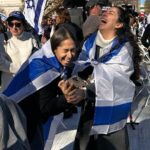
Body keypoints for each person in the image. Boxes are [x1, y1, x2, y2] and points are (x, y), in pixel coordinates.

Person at [59, 6, 141, 150]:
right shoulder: (90, 42)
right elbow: (82, 68)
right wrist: (71, 84)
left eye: (111, 13)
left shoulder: (123, 49)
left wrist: (85, 92)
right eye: (105, 11)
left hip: (111, 113)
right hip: (89, 112)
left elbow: (116, 82)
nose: (105, 13)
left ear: (118, 24)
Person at [2, 26, 79, 150]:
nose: (70, 55)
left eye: (73, 50)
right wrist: (66, 99)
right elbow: (44, 108)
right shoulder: (46, 70)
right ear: (54, 49)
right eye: (66, 50)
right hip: (21, 122)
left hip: (24, 117)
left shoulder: (46, 60)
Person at [0, 11, 39, 90]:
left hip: (27, 82)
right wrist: (20, 69)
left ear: (23, 25)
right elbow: (1, 62)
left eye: (18, 24)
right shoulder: (2, 37)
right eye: (11, 24)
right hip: (8, 84)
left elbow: (36, 57)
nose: (14, 27)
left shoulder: (31, 37)